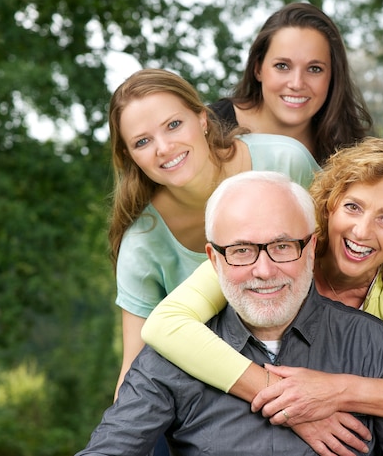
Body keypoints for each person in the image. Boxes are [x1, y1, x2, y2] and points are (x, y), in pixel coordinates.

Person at [75, 171, 383, 456]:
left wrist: (338, 390)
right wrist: (287, 401)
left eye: (283, 246)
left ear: (309, 246)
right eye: (242, 250)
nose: (264, 270)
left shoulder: (373, 341)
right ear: (214, 260)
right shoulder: (175, 352)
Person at [108, 68, 319, 397]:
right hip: (214, 397)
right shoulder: (142, 246)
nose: (163, 147)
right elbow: (134, 369)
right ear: (129, 156)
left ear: (203, 119)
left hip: (319, 355)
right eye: (142, 141)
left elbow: (348, 262)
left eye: (173, 124)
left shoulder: (285, 162)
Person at [210, 2, 372, 165]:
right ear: (258, 69)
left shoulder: (352, 155)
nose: (297, 83)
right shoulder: (207, 128)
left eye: (314, 69)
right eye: (282, 66)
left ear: (333, 76)